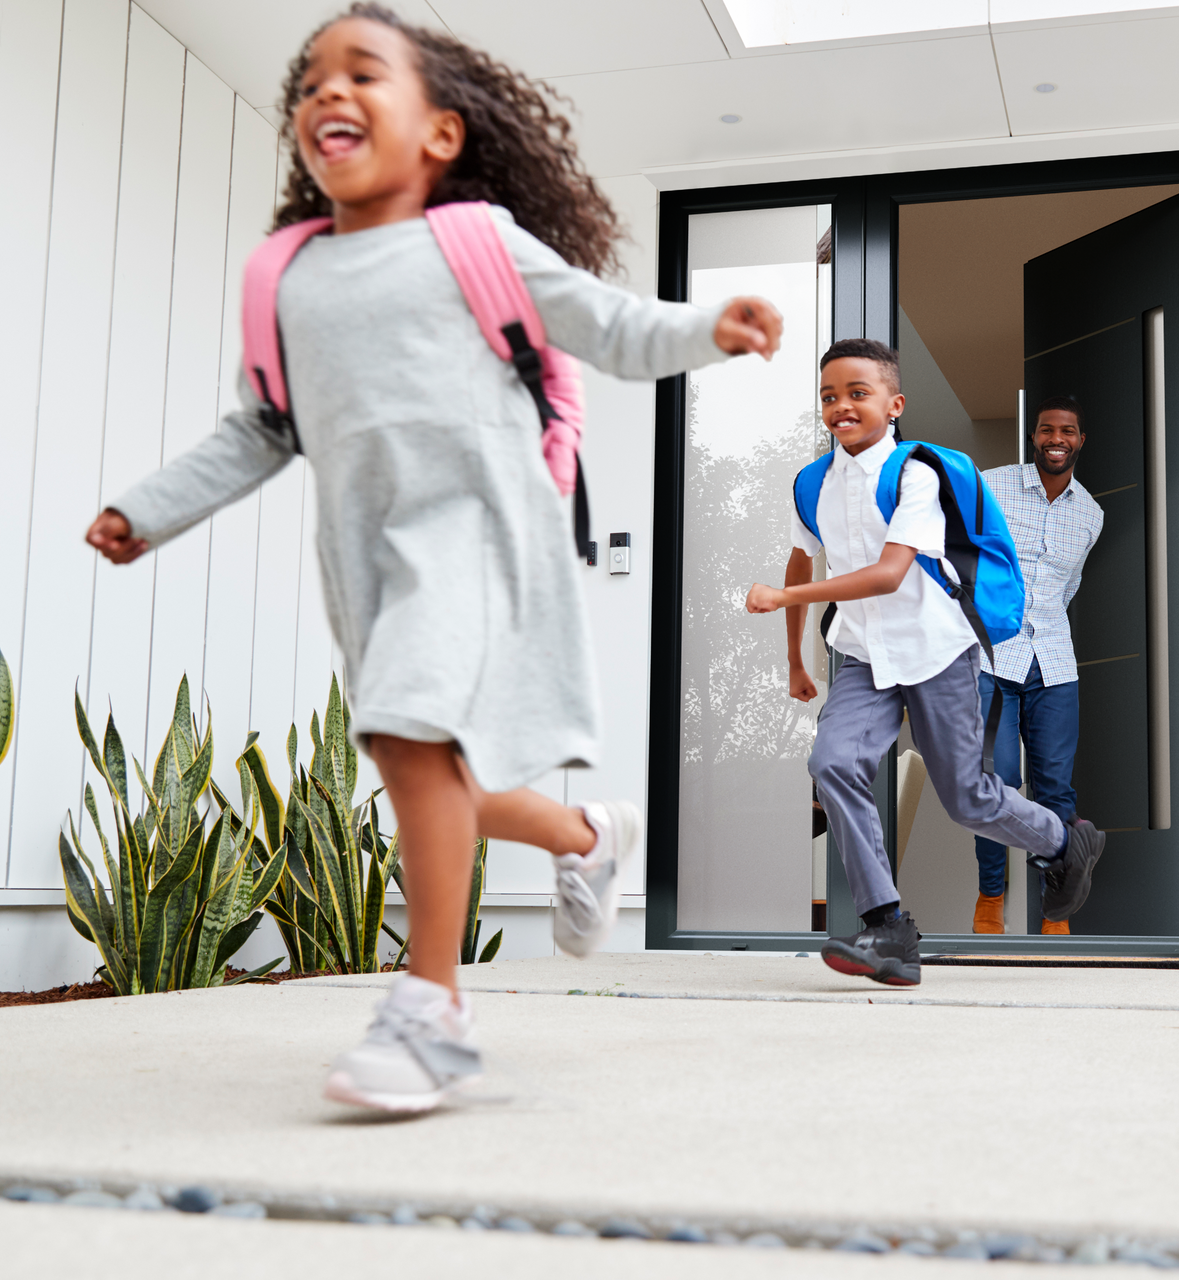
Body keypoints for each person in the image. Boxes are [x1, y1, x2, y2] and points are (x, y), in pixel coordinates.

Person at [83, 3, 782, 1113]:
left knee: (412, 736)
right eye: (310, 83)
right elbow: (264, 427)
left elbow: (608, 327)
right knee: (429, 770)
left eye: (363, 73)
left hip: (486, 533)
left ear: (441, 134)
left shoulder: (478, 243)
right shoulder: (288, 277)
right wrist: (148, 510)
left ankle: (433, 1011)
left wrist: (712, 326)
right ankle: (586, 833)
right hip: (368, 556)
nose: (328, 94)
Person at [745, 339, 1073, 986]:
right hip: (864, 656)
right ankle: (887, 927)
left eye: (857, 393)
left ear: (894, 404)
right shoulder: (812, 483)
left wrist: (788, 598)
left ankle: (1065, 843)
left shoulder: (916, 474)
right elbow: (800, 558)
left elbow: (889, 574)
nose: (841, 407)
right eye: (829, 396)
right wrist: (794, 657)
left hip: (935, 651)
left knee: (967, 799)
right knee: (833, 762)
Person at [973, 396, 1106, 935]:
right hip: (991, 657)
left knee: (1056, 789)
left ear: (1079, 440)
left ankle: (1058, 911)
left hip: (1054, 661)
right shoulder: (991, 484)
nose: (1057, 438)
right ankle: (991, 899)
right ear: (1034, 438)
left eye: (1067, 431)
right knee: (995, 783)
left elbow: (1068, 588)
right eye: (1047, 430)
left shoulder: (1091, 514)